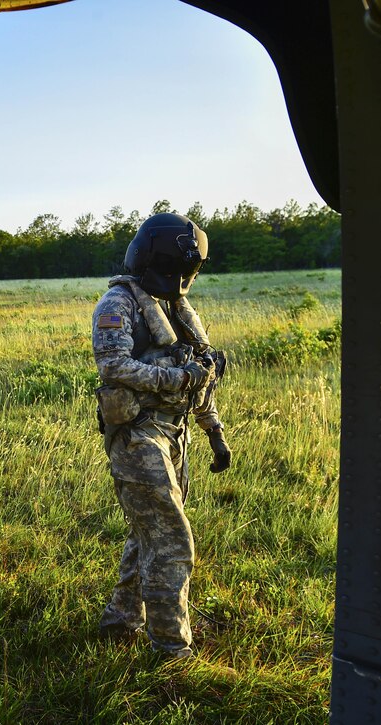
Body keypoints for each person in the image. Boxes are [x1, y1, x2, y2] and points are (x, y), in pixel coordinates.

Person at [91, 212, 232, 659]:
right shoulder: (119, 303)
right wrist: (177, 380)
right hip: (137, 437)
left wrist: (214, 430)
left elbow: (201, 370)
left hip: (176, 434)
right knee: (172, 542)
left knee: (147, 533)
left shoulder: (173, 306)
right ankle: (172, 651)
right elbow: (112, 366)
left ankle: (121, 619)